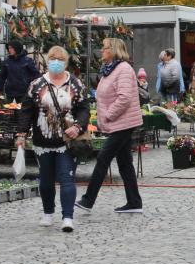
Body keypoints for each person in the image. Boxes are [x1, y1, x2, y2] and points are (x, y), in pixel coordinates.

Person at [20, 46, 89, 232]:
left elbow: (84, 108)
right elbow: (26, 110)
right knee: (45, 180)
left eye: (60, 59)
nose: (56, 62)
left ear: (66, 62)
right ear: (47, 61)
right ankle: (48, 212)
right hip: (42, 139)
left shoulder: (76, 84)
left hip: (67, 140)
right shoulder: (36, 84)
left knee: (67, 178)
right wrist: (21, 133)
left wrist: (78, 126)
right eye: (52, 58)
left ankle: (68, 217)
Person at [76, 38, 143, 214]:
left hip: (123, 123)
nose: (101, 51)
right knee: (125, 164)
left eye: (104, 48)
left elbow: (124, 98)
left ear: (113, 50)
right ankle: (134, 202)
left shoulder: (124, 69)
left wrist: (107, 114)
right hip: (118, 122)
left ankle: (88, 200)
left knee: (103, 158)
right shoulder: (109, 70)